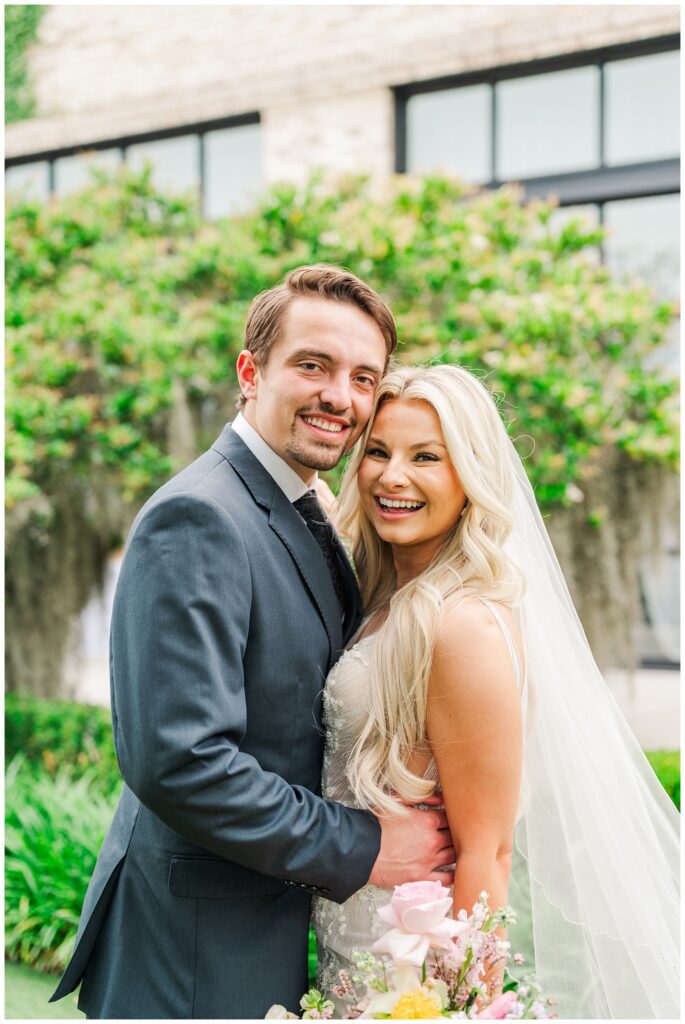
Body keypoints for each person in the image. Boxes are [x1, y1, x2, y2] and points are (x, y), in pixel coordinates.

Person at [50, 266, 455, 1020]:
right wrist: (364, 845)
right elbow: (181, 761)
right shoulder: (199, 519)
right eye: (313, 365)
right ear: (250, 372)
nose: (342, 395)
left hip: (258, 931)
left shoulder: (297, 505)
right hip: (196, 955)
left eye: (363, 377)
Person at [311, 363, 680, 1020]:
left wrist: (463, 1007)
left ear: (471, 476)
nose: (392, 476)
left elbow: (488, 852)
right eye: (377, 451)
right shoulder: (384, 599)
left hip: (409, 973)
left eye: (426, 456)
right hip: (351, 943)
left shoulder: (463, 624)